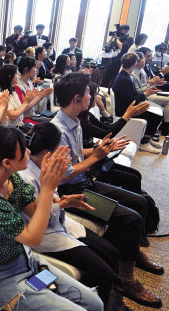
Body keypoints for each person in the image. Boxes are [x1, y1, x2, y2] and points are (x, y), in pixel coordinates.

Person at [0, 125, 104, 311]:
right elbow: (34, 238)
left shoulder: (9, 180)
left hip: (29, 265)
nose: (29, 152)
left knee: (95, 304)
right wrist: (47, 187)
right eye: (23, 151)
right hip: (4, 282)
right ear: (7, 163)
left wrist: (58, 200)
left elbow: (35, 211)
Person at [51, 73, 164, 296]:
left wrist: (99, 150)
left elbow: (76, 155)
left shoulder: (73, 121)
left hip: (83, 182)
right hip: (72, 191)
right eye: (87, 93)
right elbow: (63, 176)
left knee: (139, 202)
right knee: (131, 218)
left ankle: (131, 253)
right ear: (77, 98)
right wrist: (95, 157)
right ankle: (128, 279)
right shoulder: (58, 130)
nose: (91, 96)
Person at [20, 122, 141, 310]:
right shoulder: (26, 177)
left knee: (113, 252)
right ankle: (110, 303)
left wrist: (61, 202)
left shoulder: (74, 126)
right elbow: (39, 217)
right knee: (106, 270)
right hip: (49, 232)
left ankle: (116, 294)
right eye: (60, 150)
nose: (66, 155)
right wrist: (60, 203)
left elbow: (49, 200)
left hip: (63, 217)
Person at [112, 53, 163, 153]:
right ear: (135, 63)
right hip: (124, 110)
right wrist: (145, 95)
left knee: (156, 113)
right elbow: (130, 100)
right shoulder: (124, 79)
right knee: (154, 116)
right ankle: (144, 142)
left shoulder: (125, 75)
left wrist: (145, 94)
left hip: (126, 106)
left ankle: (148, 138)